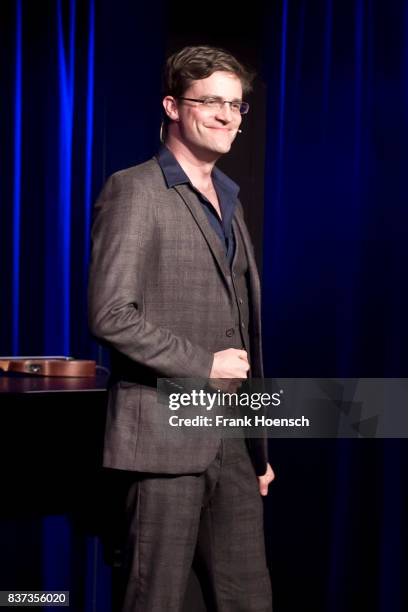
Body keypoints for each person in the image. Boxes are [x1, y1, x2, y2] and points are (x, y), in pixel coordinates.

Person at [88, 45, 274, 612]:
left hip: (234, 445)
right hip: (162, 441)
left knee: (249, 601)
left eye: (237, 105)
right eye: (211, 101)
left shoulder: (231, 202)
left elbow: (242, 325)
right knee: (156, 600)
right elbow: (109, 314)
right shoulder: (135, 190)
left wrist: (257, 443)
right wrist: (204, 365)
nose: (226, 116)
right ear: (172, 105)